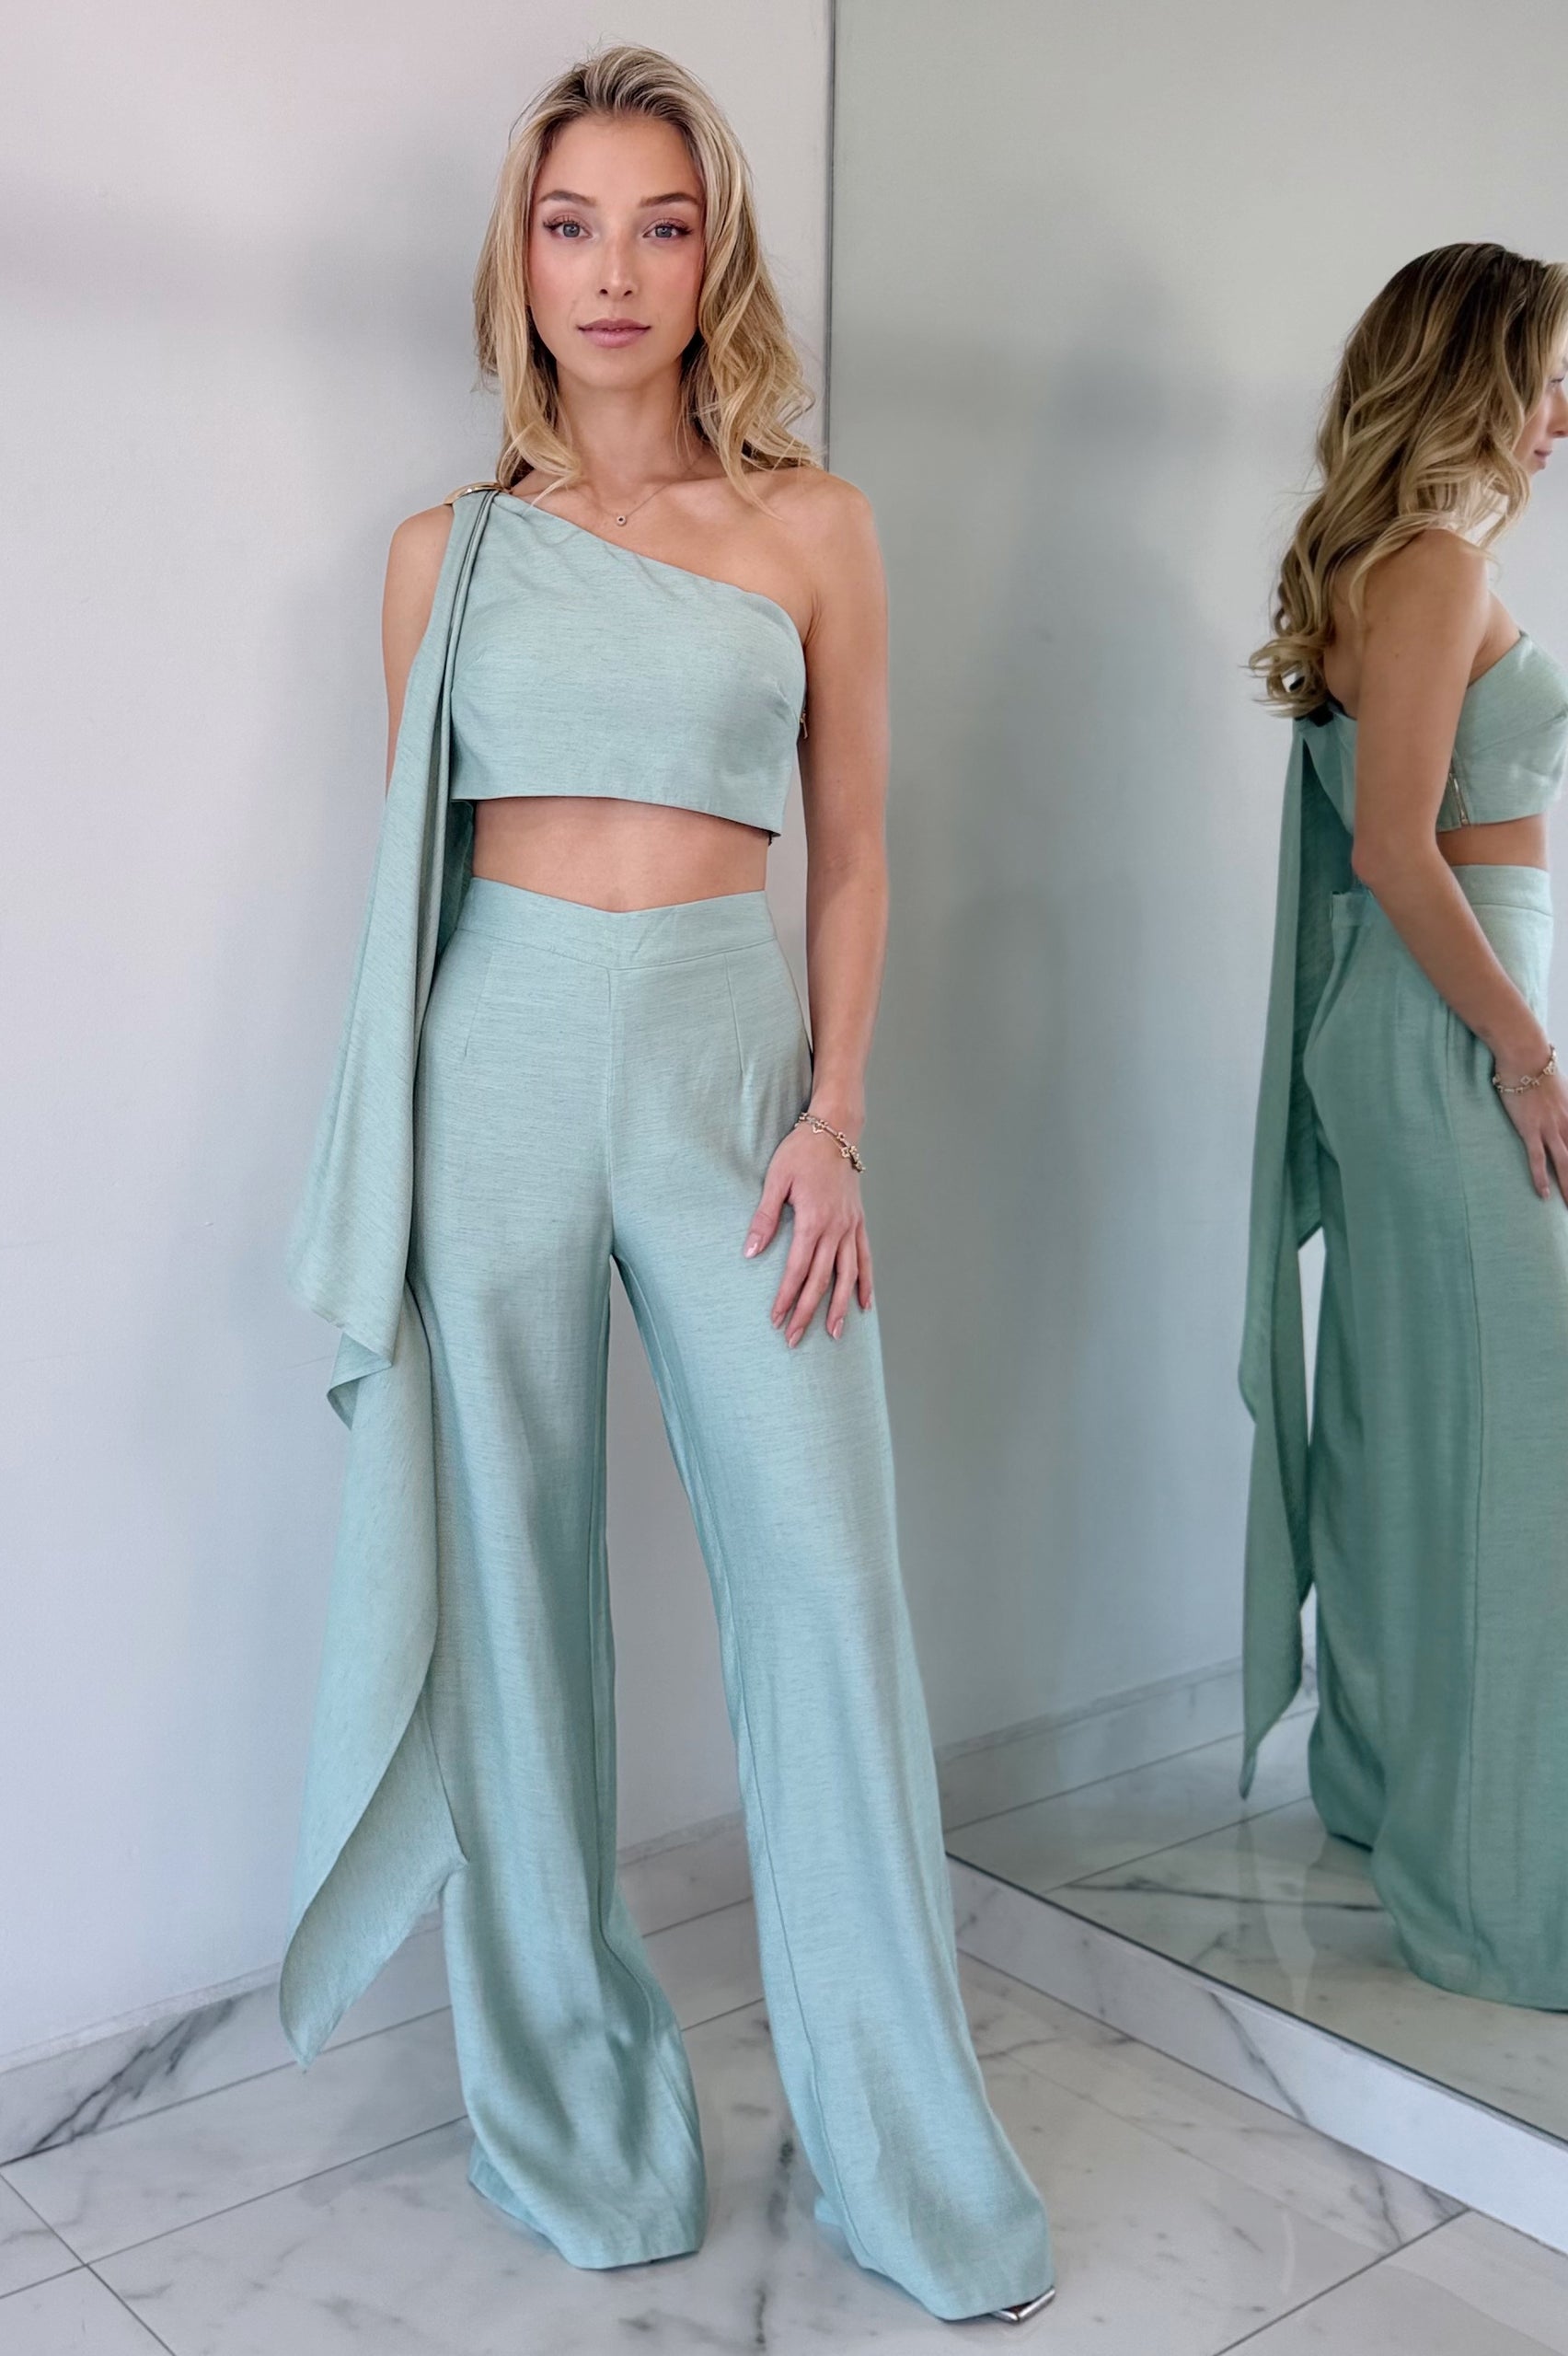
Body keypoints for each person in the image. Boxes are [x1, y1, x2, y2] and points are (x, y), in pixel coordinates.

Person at [281, 44, 1054, 2325]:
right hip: (499, 1059)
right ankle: (581, 2122)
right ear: (518, 261)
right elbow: (413, 890)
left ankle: (908, 2155)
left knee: (826, 1586)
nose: (611, 270)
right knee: (515, 1611)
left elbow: (859, 847)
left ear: (716, 254)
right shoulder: (443, 553)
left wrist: (834, 1115)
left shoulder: (814, 529)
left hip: (733, 1074)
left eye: (659, 222)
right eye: (569, 223)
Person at [1241, 241, 1568, 2008]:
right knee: (1523, 1441)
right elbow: (1393, 847)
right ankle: (1503, 1878)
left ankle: (1384, 1784)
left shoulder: (1377, 558)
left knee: (1411, 1418)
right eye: (1550, 377)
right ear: (1479, 373)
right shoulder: (1434, 563)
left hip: (1408, 1015)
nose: (1563, 414)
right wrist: (1525, 1051)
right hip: (1448, 1019)